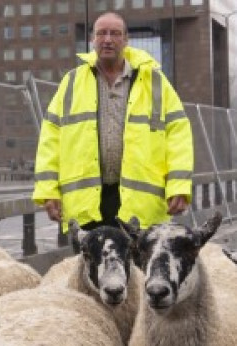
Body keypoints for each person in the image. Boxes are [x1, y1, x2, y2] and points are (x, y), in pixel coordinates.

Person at [32, 11, 193, 232]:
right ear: (92, 40)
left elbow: (179, 136)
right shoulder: (71, 83)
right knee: (90, 267)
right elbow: (50, 140)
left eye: (115, 34)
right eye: (101, 33)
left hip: (140, 208)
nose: (107, 39)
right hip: (87, 207)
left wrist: (179, 187)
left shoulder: (155, 83)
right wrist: (48, 191)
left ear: (126, 40)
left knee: (137, 267)